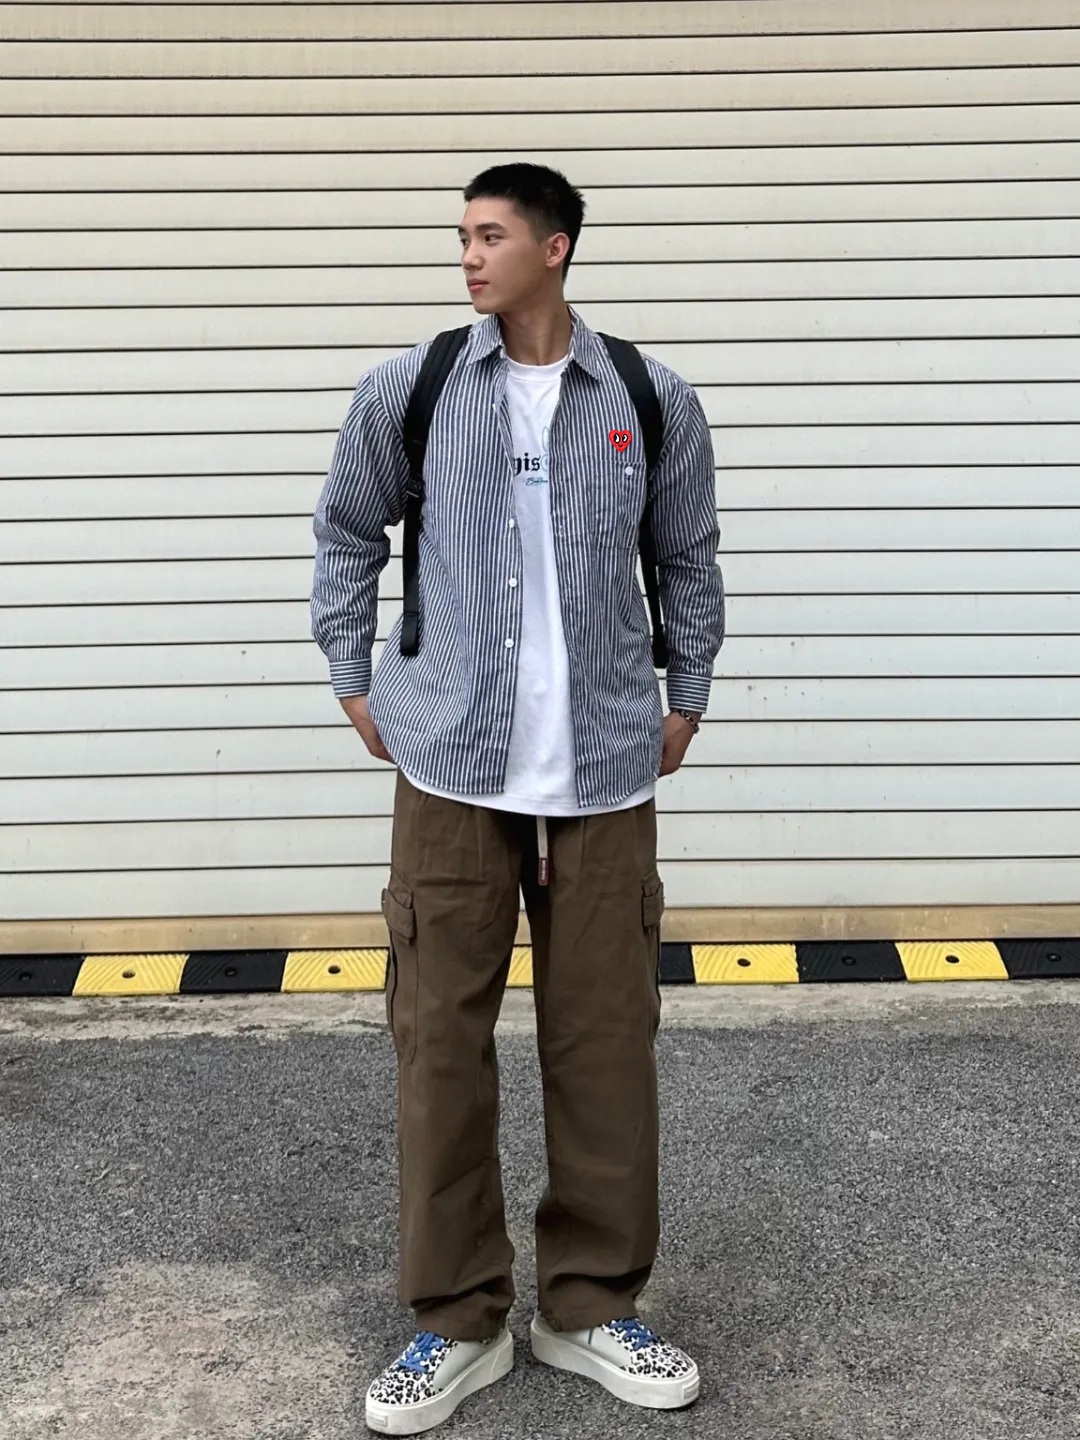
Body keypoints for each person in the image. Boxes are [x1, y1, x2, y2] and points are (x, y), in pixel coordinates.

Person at [311, 162, 725, 1435]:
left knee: (605, 1047)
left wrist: (688, 692)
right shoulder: (414, 386)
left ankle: (589, 1307)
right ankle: (457, 1321)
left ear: (556, 247)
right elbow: (347, 531)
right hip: (451, 767)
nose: (468, 256)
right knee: (439, 1046)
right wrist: (352, 674)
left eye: (489, 235)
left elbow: (687, 554)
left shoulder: (648, 396)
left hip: (601, 772)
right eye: (461, 236)